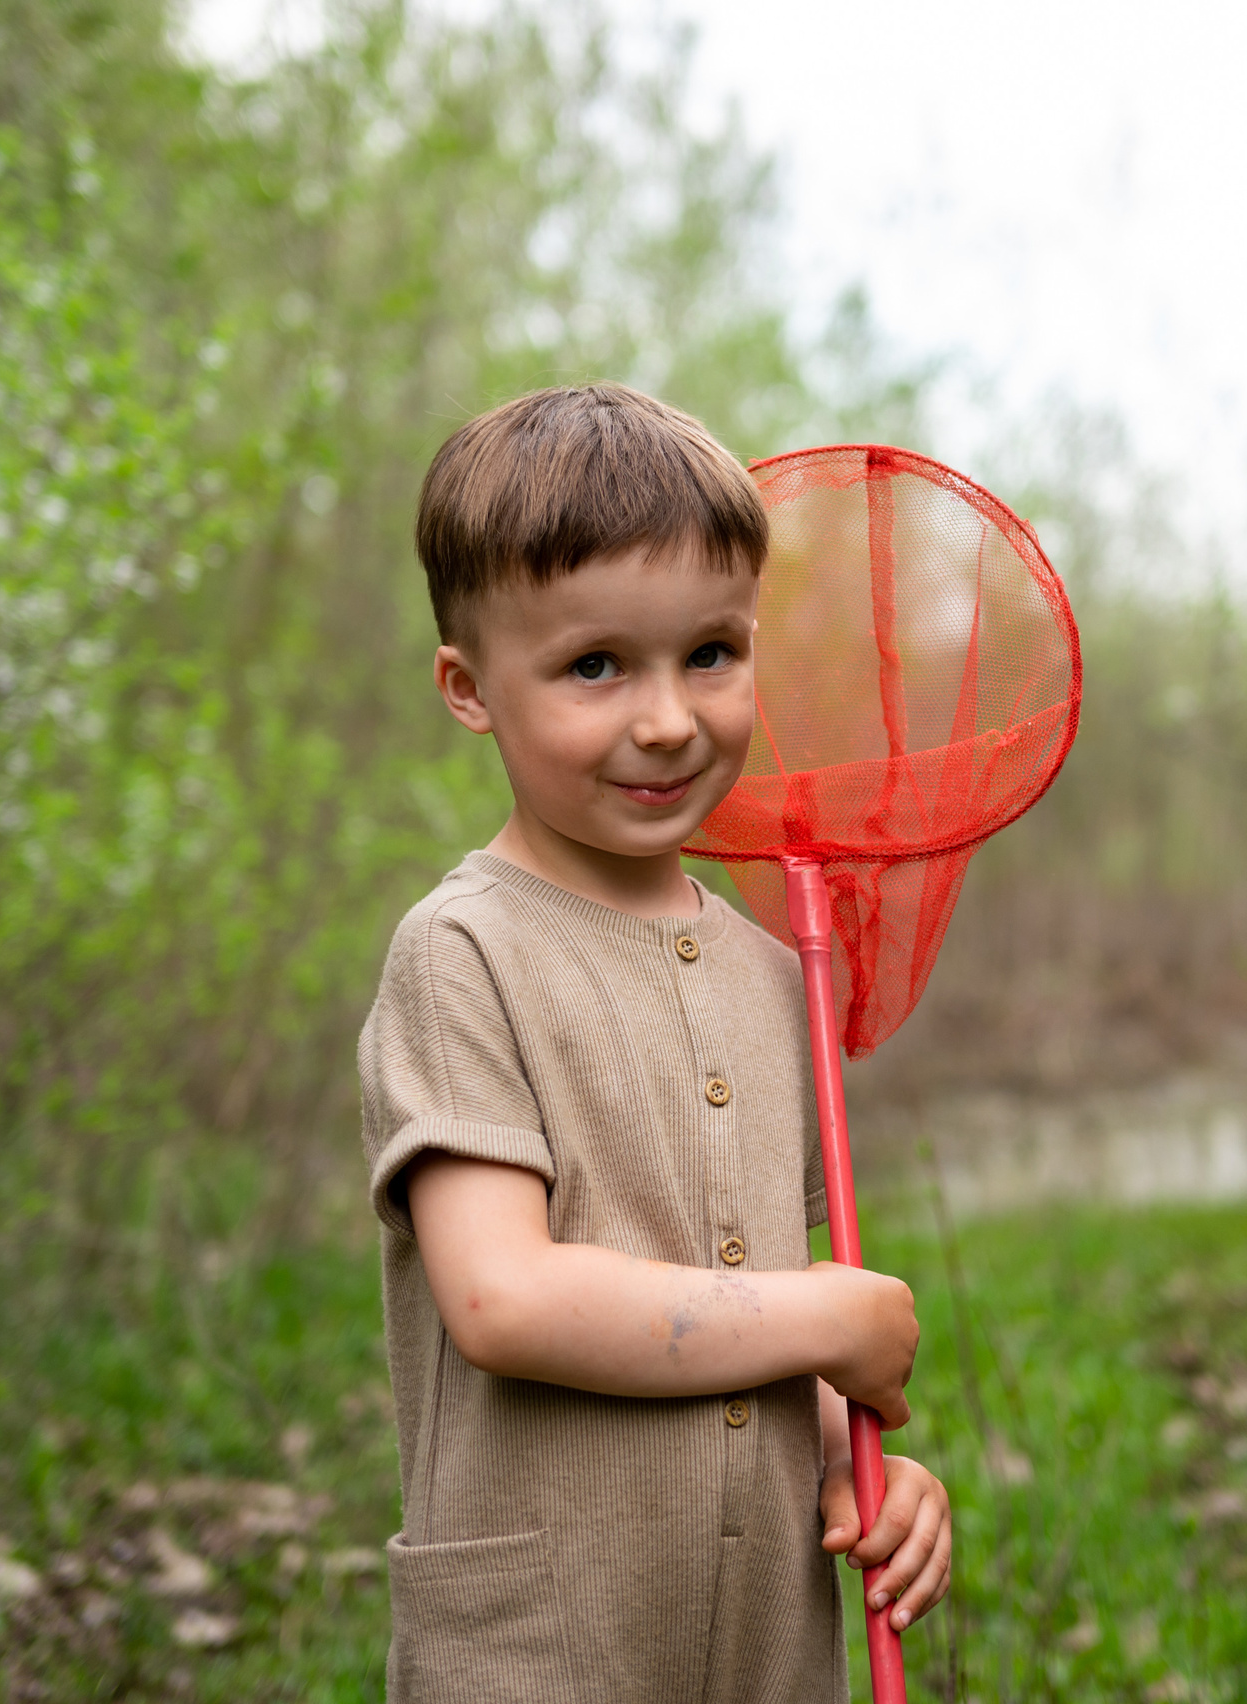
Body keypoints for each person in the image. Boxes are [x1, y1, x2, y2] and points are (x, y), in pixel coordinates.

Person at [357, 383, 954, 1701]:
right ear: (469, 688)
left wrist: (852, 1465)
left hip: (750, 1645)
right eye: (594, 666)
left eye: (712, 654)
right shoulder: (464, 955)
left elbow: (741, 1318)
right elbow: (503, 1301)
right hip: (546, 1647)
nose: (671, 718)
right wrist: (818, 1315)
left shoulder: (766, 969)